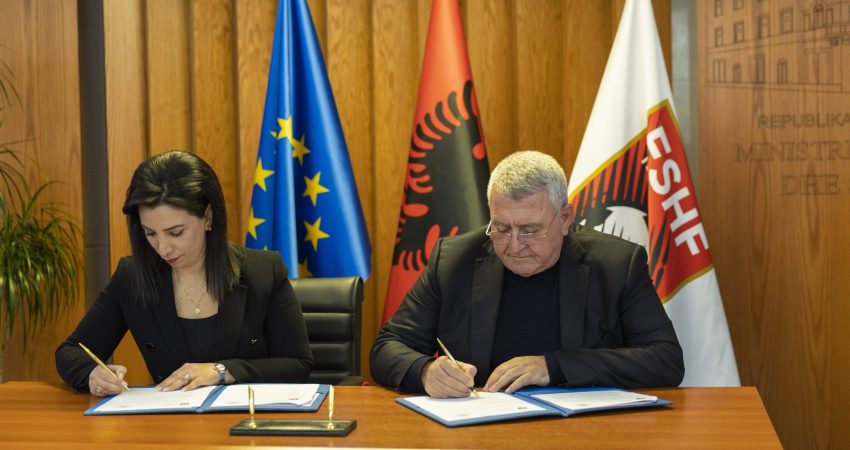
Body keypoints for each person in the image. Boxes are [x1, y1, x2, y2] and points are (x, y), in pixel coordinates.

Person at [370, 150, 684, 398]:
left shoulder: (617, 264)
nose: (514, 245)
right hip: (479, 430)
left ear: (565, 219)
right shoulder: (454, 260)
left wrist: (552, 367)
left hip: (582, 432)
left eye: (530, 230)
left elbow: (665, 360)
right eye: (501, 228)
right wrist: (425, 371)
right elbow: (388, 346)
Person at [56, 151, 313, 396]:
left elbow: (298, 364)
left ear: (207, 217)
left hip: (247, 419)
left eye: (175, 232)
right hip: (171, 421)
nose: (163, 248)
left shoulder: (263, 271)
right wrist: (93, 375)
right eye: (150, 233)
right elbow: (71, 351)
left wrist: (222, 371)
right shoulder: (132, 277)